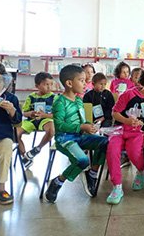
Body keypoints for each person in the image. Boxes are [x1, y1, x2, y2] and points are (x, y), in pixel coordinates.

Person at [45, 65, 108, 203]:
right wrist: (81, 126)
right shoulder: (60, 103)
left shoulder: (79, 100)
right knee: (82, 160)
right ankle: (58, 181)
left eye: (85, 80)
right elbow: (59, 125)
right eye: (81, 80)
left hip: (80, 137)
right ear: (69, 83)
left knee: (105, 142)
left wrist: (90, 126)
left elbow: (82, 120)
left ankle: (92, 174)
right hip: (65, 139)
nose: (85, 83)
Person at [106, 70, 144, 205]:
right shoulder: (128, 94)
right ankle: (117, 187)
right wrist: (126, 121)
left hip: (138, 133)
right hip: (120, 130)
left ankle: (141, 170)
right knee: (112, 150)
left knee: (134, 151)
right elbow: (115, 113)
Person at [0, 62, 22, 205]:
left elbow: (18, 123)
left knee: (7, 146)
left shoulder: (11, 98)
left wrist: (12, 110)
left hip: (2, 138)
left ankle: (1, 188)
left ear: (5, 80)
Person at [17, 72, 56, 169]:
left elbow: (57, 115)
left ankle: (38, 148)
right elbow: (24, 112)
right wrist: (30, 113)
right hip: (31, 120)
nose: (49, 87)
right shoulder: (31, 97)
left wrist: (44, 115)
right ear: (37, 86)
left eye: (51, 84)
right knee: (15, 133)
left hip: (45, 119)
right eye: (46, 84)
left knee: (51, 130)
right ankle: (25, 157)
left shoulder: (54, 97)